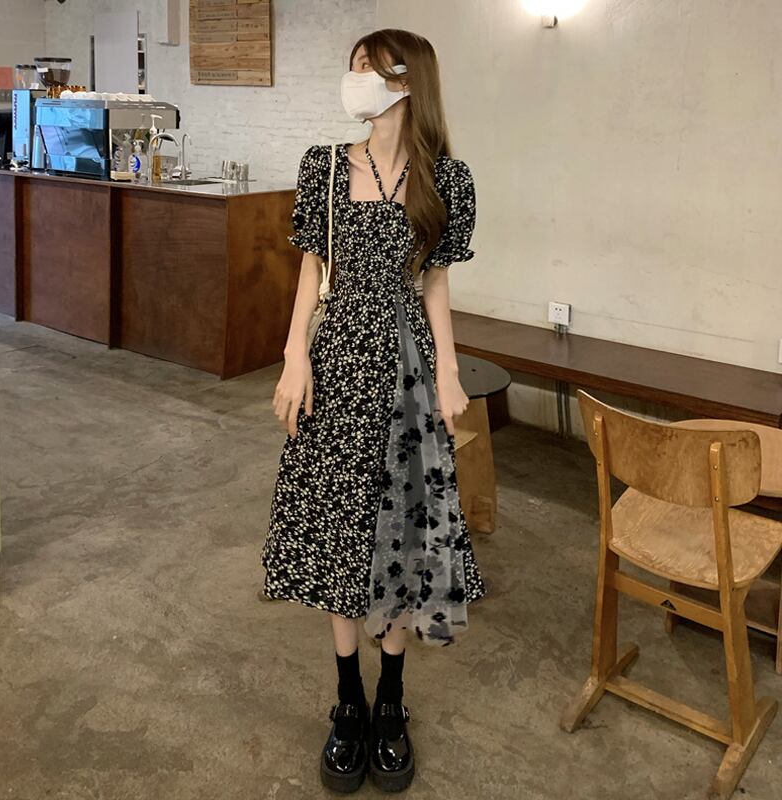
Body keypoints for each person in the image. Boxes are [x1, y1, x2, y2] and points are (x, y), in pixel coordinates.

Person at [261, 27, 487, 793]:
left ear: (405, 82)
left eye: (366, 69)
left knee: (401, 534)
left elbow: (436, 286)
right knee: (337, 527)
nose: (353, 80)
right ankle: (348, 699)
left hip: (409, 373)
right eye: (352, 68)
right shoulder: (324, 167)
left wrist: (449, 373)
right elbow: (310, 271)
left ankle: (391, 699)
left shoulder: (447, 179)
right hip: (337, 364)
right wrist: (294, 355)